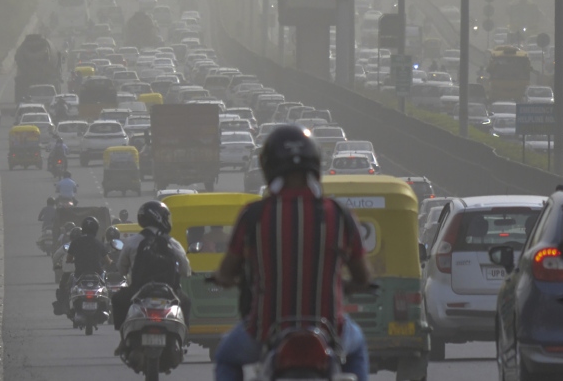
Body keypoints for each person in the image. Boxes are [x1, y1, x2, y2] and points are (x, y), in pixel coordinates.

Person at [211, 125, 373, 381]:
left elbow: (227, 271)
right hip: (329, 330)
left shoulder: (254, 215)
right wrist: (346, 284)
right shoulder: (339, 214)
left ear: (268, 165)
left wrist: (225, 279)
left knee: (226, 358)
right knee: (357, 348)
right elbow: (363, 276)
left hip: (265, 331)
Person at [110, 201, 192, 337]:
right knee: (186, 302)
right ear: (159, 218)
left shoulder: (132, 241)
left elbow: (121, 269)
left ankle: (124, 337)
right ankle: (183, 338)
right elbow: (186, 270)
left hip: (138, 290)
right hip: (169, 292)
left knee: (117, 299)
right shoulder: (172, 242)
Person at [55, 218, 111, 314]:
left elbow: (68, 259)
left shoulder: (75, 242)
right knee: (106, 285)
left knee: (71, 285)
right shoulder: (99, 243)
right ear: (96, 229)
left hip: (80, 272)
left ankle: (68, 306)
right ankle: (108, 306)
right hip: (98, 273)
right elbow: (108, 261)